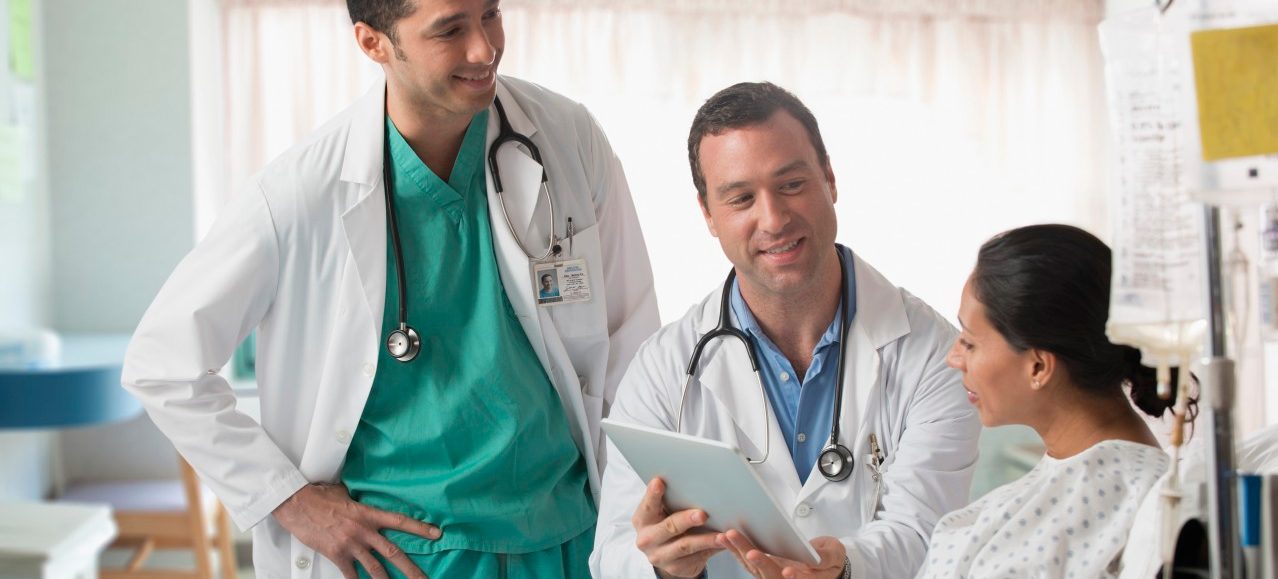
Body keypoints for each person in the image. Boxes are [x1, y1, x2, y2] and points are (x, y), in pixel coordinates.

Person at [120, 1, 659, 577]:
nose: (484, 49)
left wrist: (634, 511)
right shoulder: (301, 192)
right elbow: (162, 363)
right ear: (373, 42)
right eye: (449, 30)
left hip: (566, 540)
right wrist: (288, 499)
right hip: (401, 558)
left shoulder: (566, 138)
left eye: (490, 15)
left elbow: (632, 338)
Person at [590, 82, 981, 579]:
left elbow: (928, 534)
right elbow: (612, 556)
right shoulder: (664, 369)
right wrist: (660, 567)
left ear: (830, 180)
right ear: (708, 214)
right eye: (741, 198)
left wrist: (845, 566)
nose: (773, 219)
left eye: (791, 185)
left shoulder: (931, 354)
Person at [915, 224, 1191, 578]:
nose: (953, 358)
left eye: (969, 342)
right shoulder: (1109, 488)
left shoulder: (1116, 502)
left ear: (1039, 366)